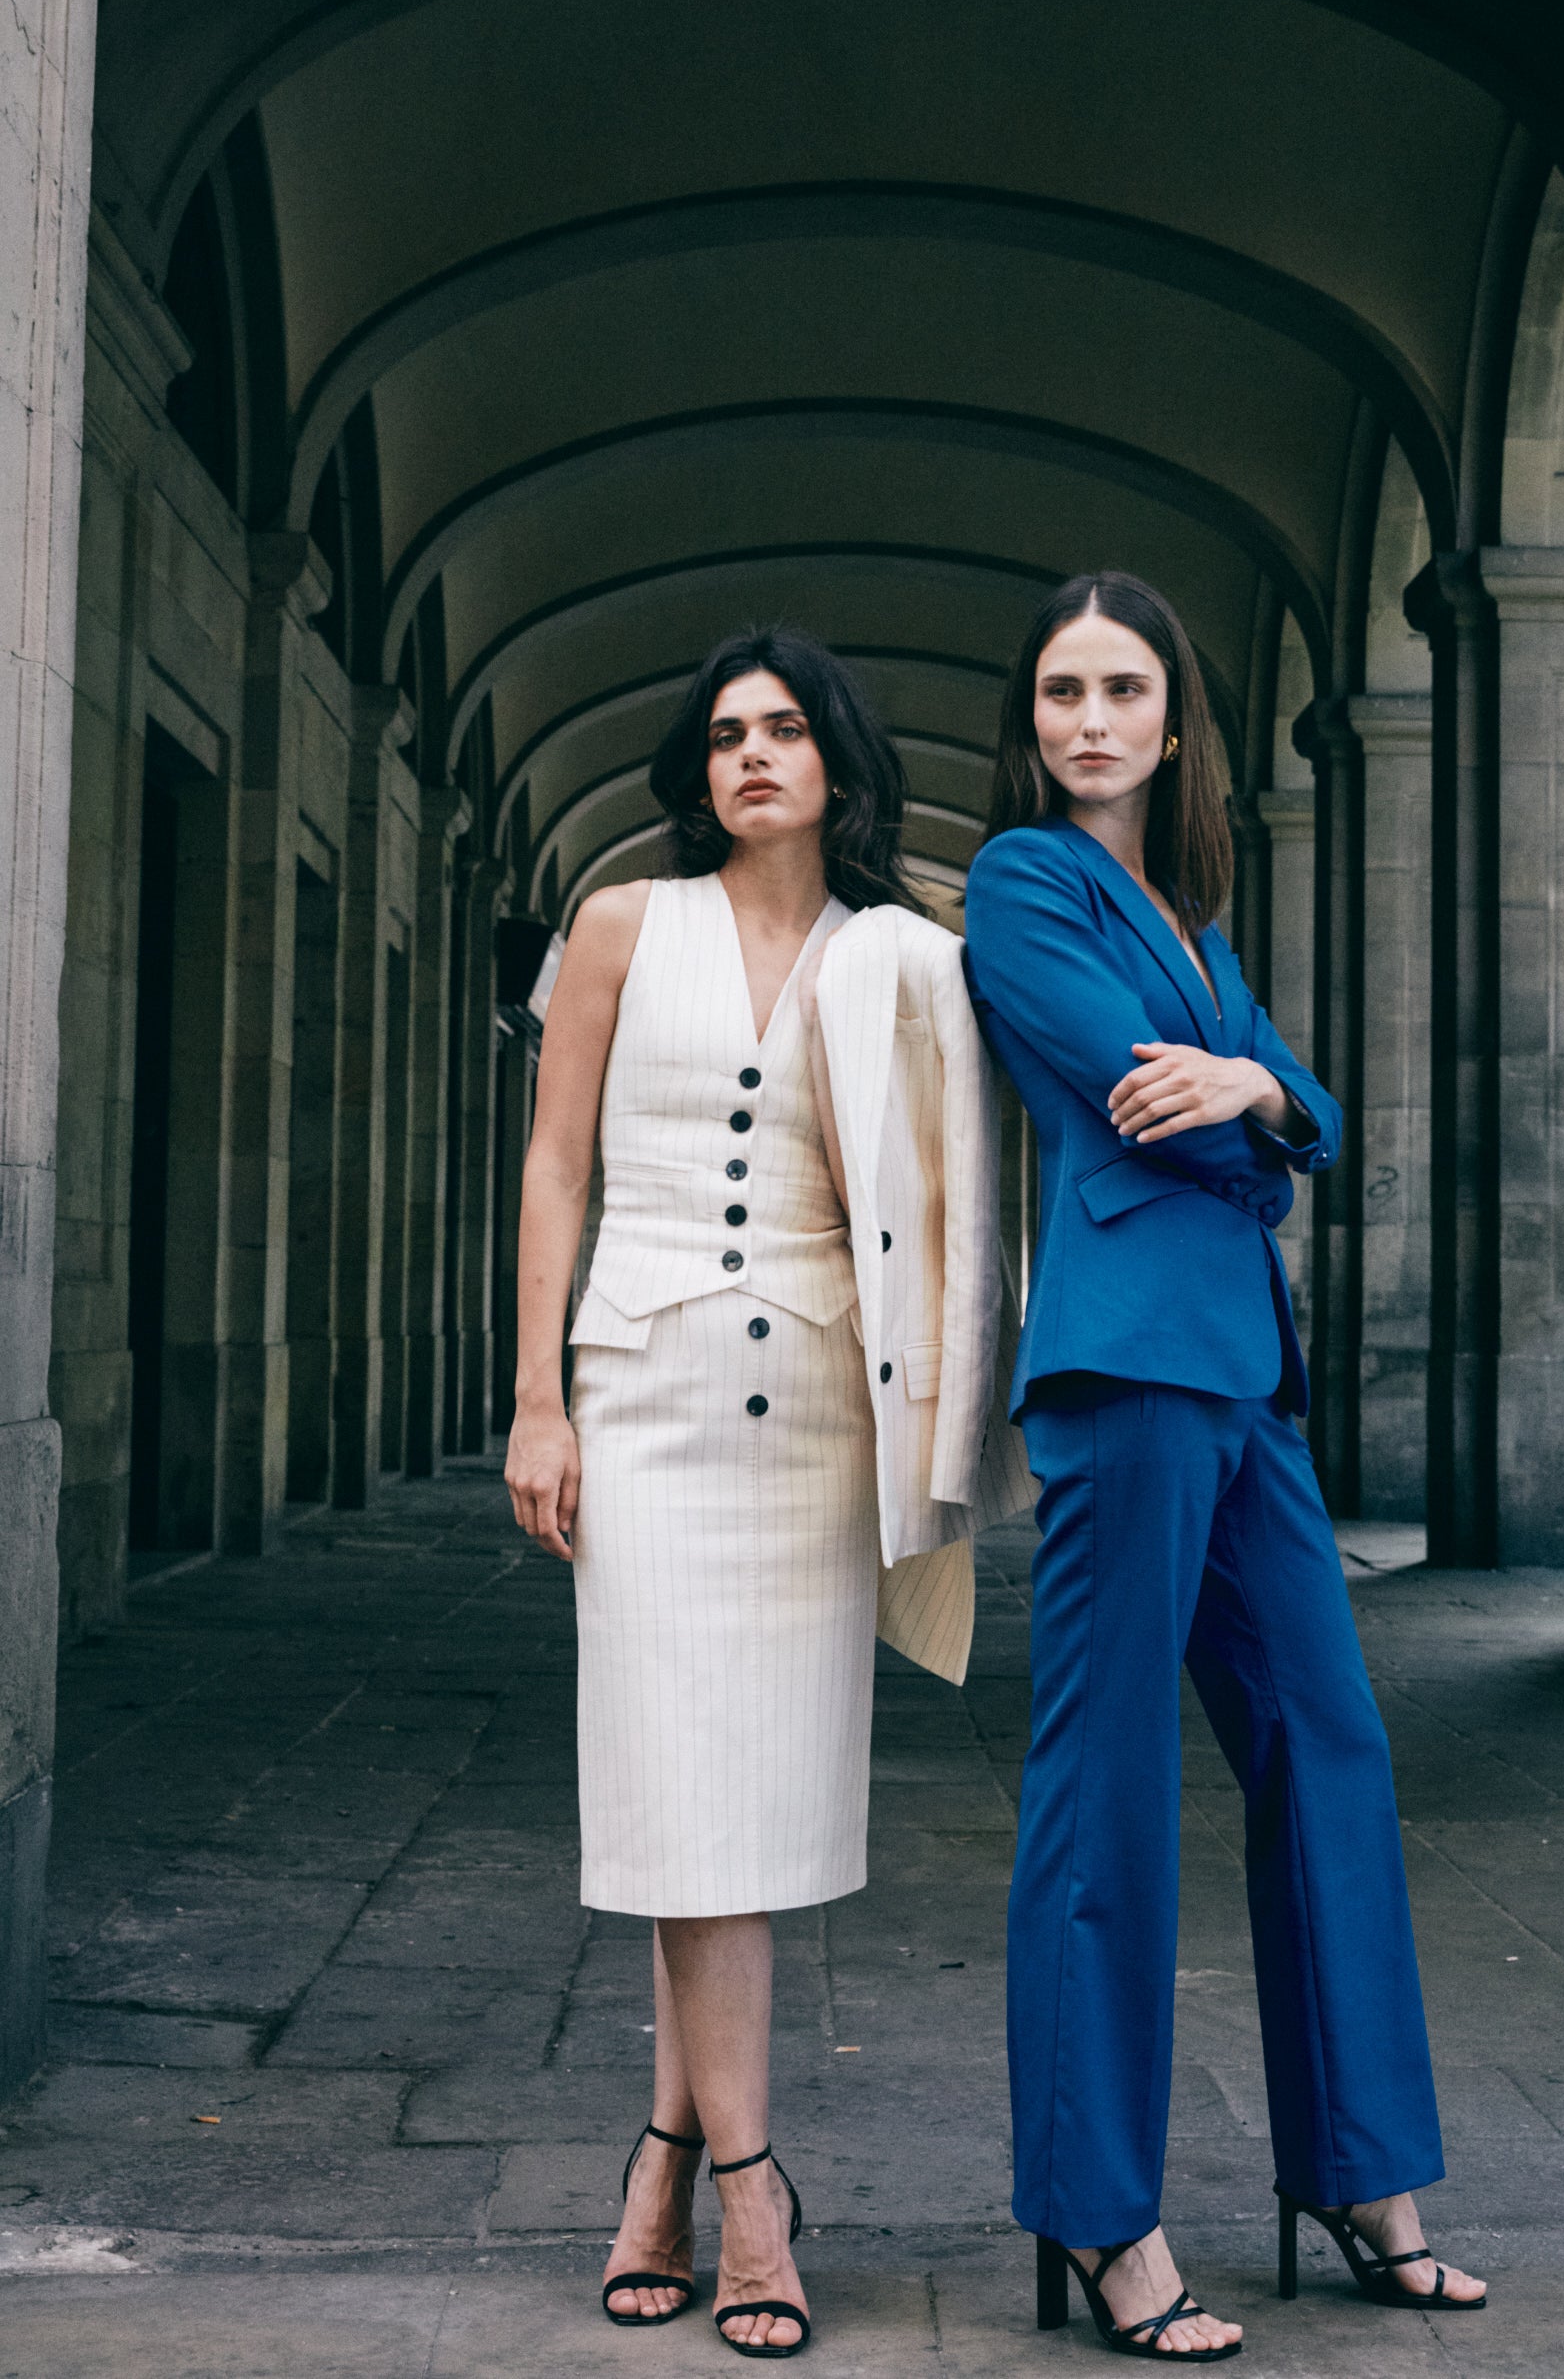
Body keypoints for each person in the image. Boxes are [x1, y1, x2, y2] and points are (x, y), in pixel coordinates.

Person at [964, 571, 1486, 2361]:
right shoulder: (1022, 883)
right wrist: (1250, 1110)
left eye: (1121, 688)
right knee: (1103, 1783)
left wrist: (1255, 1097)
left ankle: (1359, 2169)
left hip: (1247, 1382)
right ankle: (1100, 2213)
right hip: (1121, 1370)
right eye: (1058, 689)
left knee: (1327, 1740)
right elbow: (1147, 1096)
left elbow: (1289, 1104)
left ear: (1173, 721)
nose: (1088, 718)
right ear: (1028, 717)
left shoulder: (1195, 918)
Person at [505, 625, 1023, 2359]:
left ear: (836, 762)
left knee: (737, 1808)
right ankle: (750, 2187)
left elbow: (963, 1174)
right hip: (643, 1405)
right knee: (675, 1787)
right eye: (723, 731)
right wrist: (534, 1397)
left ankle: (659, 2150)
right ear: (694, 767)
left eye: (784, 729)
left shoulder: (901, 955)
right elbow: (556, 1158)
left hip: (815, 1415)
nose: (749, 755)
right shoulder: (615, 925)